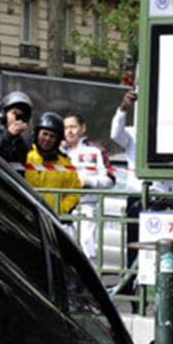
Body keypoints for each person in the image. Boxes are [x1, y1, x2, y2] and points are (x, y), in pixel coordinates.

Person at [111, 89, 173, 269]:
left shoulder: (169, 135)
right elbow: (116, 134)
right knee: (136, 242)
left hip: (164, 199)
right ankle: (132, 282)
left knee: (162, 245)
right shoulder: (134, 133)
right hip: (138, 195)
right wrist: (124, 108)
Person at [62, 112, 115, 264]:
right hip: (62, 207)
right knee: (66, 249)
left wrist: (88, 181)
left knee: (87, 247)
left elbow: (110, 180)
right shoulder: (59, 150)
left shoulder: (96, 151)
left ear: (82, 128)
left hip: (87, 207)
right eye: (66, 128)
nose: (69, 131)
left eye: (73, 127)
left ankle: (92, 284)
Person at [25, 112, 81, 215]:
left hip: (52, 218)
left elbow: (75, 191)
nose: (47, 139)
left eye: (52, 136)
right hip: (26, 214)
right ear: (37, 134)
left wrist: (60, 209)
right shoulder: (25, 156)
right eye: (44, 134)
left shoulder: (65, 163)